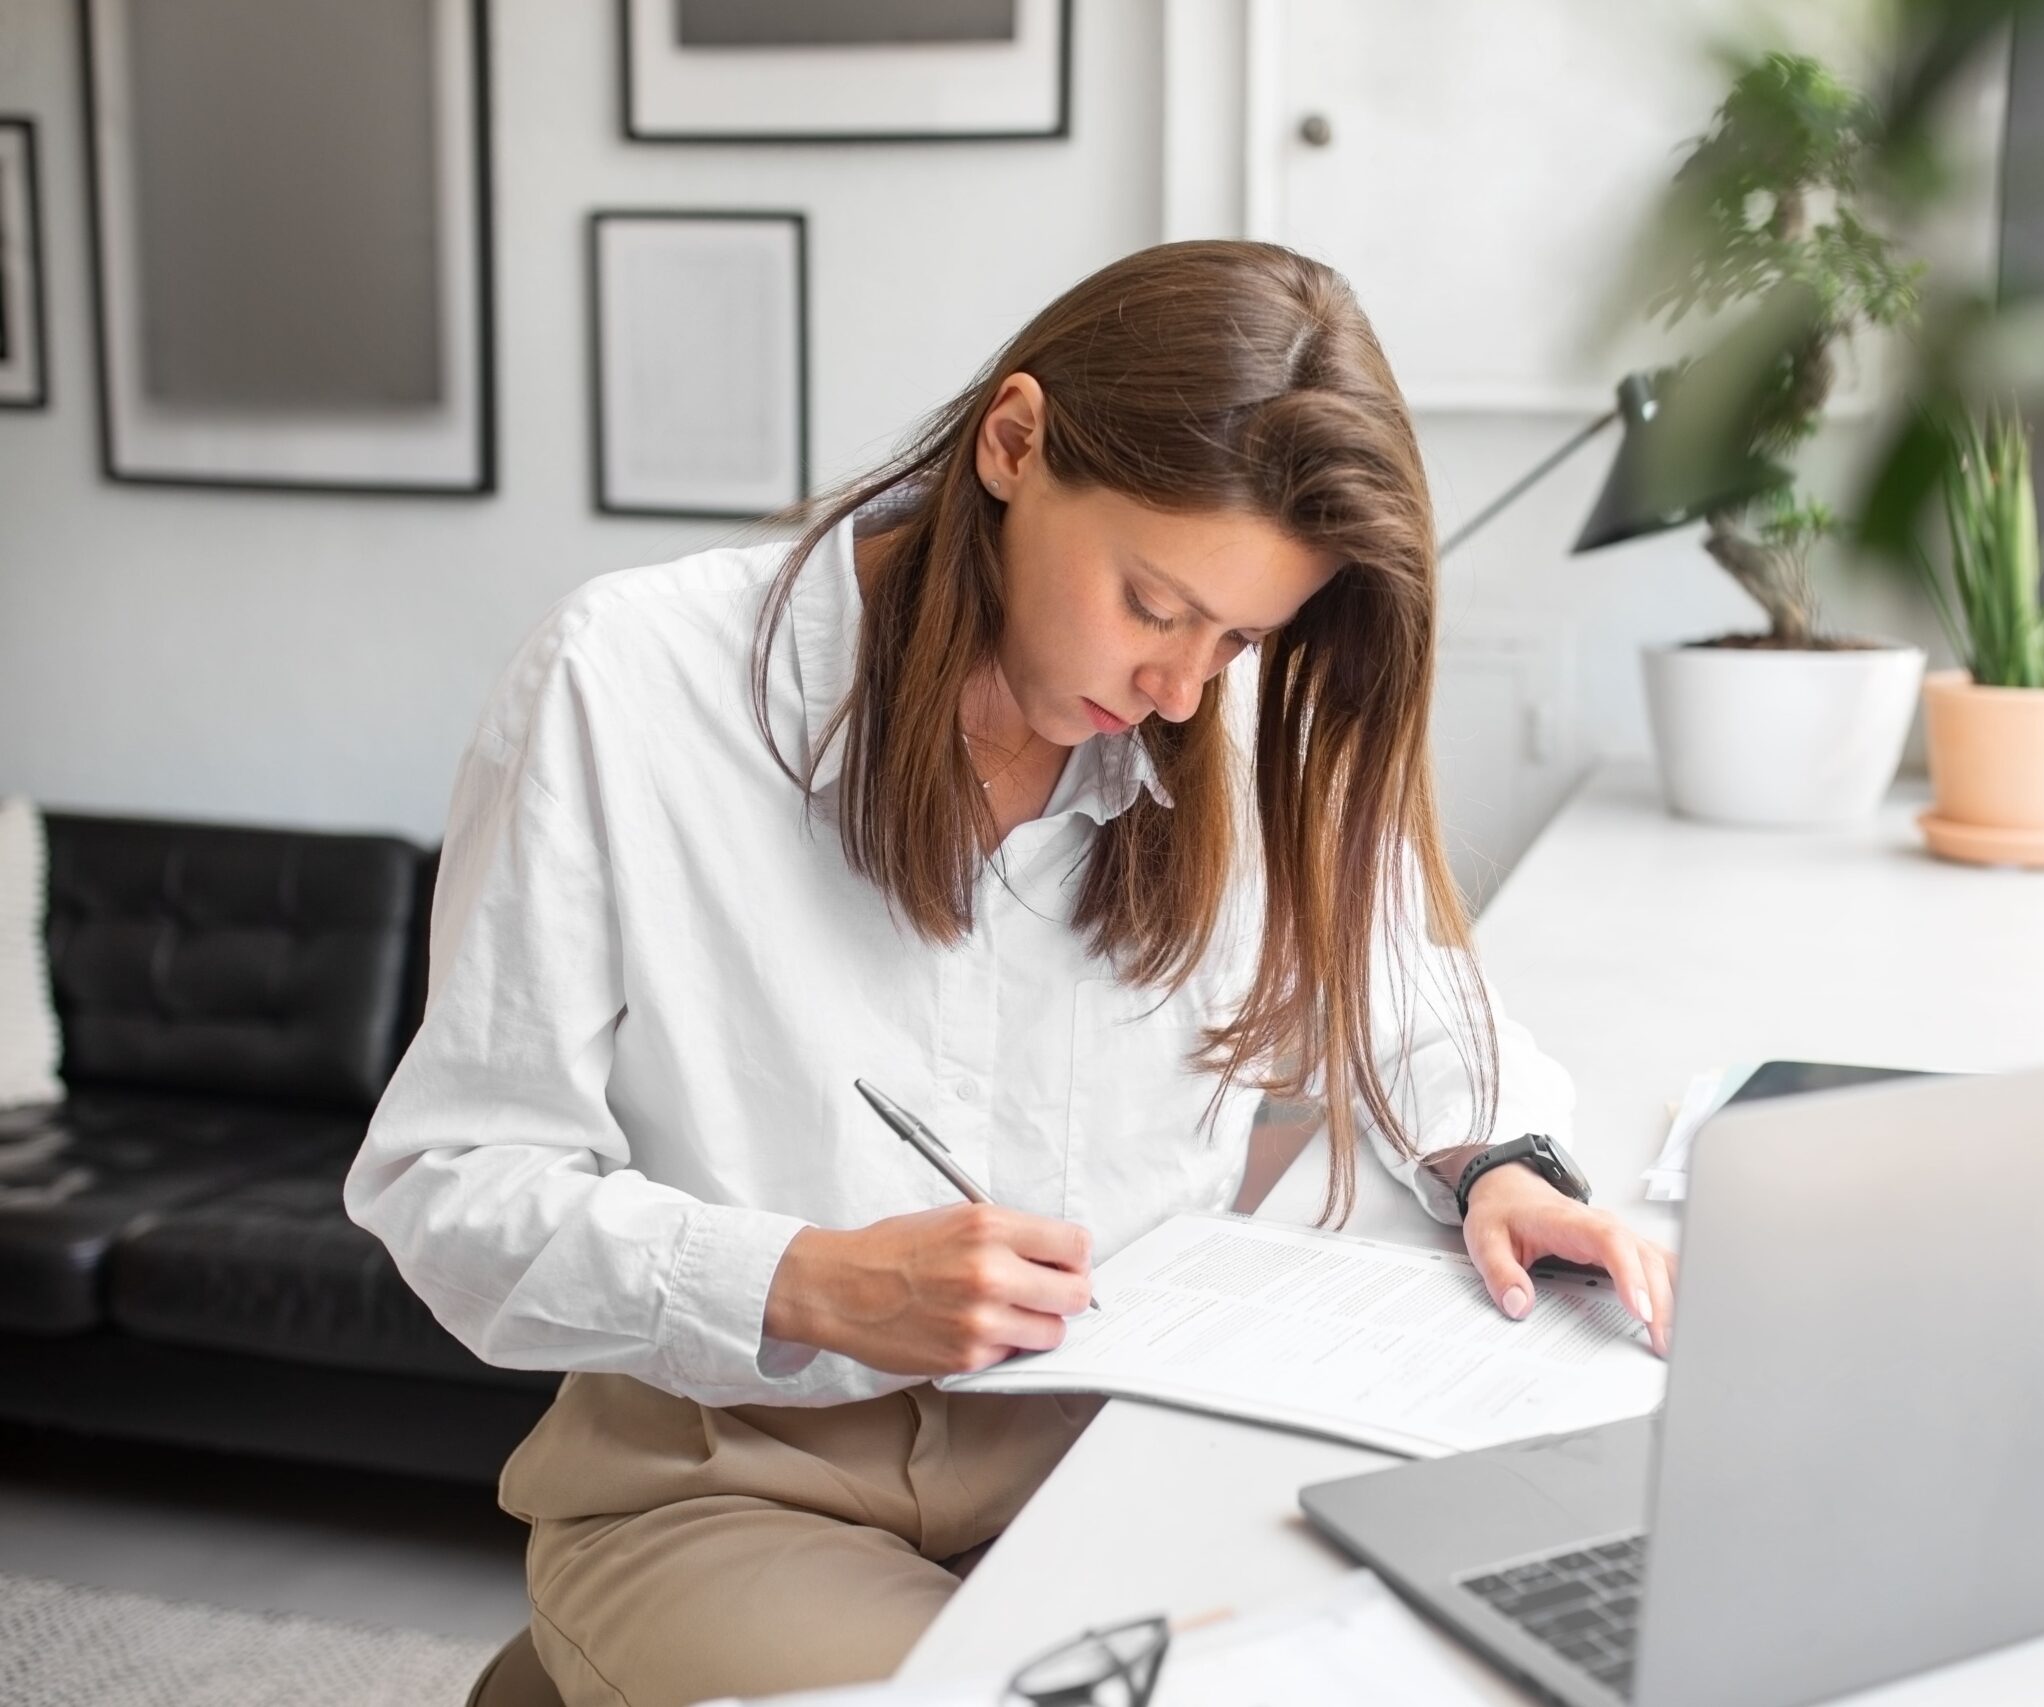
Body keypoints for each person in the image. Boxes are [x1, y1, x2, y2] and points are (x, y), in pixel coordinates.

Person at [348, 239, 1675, 1707]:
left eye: (1240, 636)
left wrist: (1513, 1170)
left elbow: (1413, 1003)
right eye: (1154, 605)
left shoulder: (1209, 727)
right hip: (738, 1480)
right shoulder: (630, 685)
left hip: (1120, 1449)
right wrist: (808, 1283)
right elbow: (451, 1186)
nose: (1182, 684)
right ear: (1015, 442)